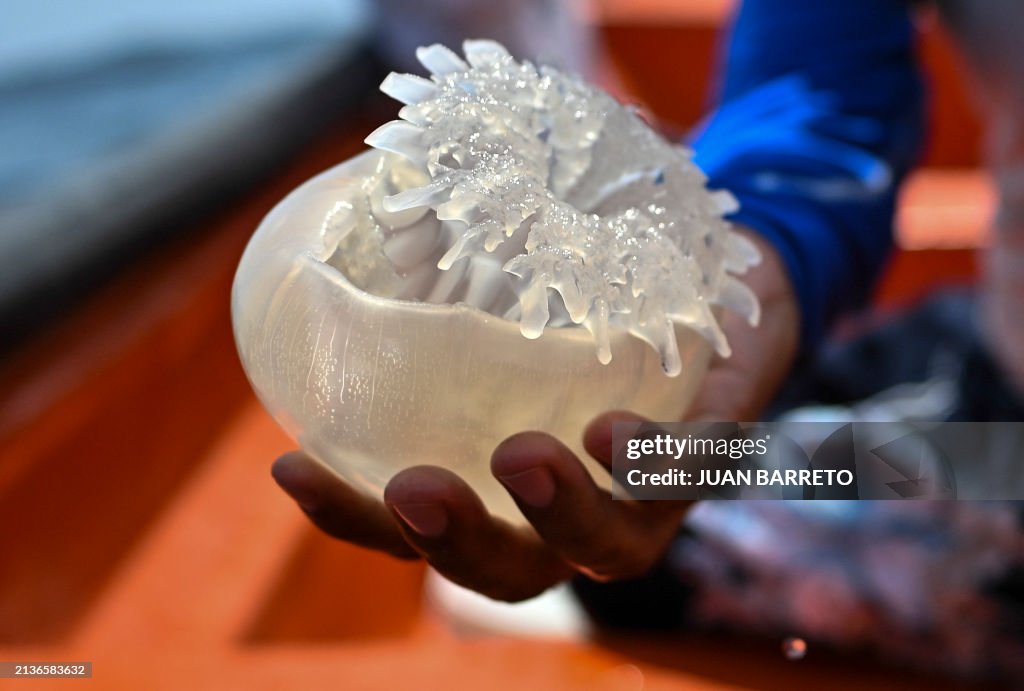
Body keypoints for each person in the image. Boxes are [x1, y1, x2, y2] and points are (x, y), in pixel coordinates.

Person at [272, 0, 1024, 678]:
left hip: (1003, 466)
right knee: (674, 456)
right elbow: (820, 81)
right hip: (988, 372)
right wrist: (760, 247)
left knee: (653, 533)